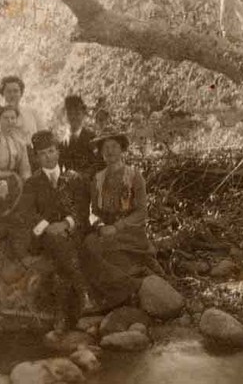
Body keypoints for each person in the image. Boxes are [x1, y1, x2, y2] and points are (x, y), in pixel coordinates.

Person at [11, 130, 93, 332]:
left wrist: (66, 224)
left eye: (51, 151)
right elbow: (27, 213)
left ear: (58, 152)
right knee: (57, 243)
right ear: (37, 158)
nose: (48, 156)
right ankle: (84, 293)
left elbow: (82, 209)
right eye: (43, 153)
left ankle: (62, 317)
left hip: (71, 231)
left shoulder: (74, 178)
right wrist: (48, 226)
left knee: (62, 260)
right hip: (45, 237)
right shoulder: (32, 183)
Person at [82, 129, 163, 309]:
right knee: (88, 242)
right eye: (105, 147)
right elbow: (93, 211)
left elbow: (142, 212)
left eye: (114, 146)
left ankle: (117, 294)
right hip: (106, 230)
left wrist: (117, 227)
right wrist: (100, 224)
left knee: (98, 249)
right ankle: (127, 287)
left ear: (122, 149)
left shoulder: (134, 176)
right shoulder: (97, 179)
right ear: (101, 152)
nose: (110, 151)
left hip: (130, 231)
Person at [0, 105, 31, 213]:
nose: (10, 121)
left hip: (13, 180)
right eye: (6, 118)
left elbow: (25, 168)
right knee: (6, 185)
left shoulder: (19, 142)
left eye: (13, 118)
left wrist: (27, 182)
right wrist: (11, 176)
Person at [0, 76, 46, 155]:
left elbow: (44, 134)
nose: (12, 95)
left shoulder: (32, 112)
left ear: (21, 93)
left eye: (16, 91)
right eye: (8, 91)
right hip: (8, 156)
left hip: (32, 154)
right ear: (3, 94)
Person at [59, 95, 104, 178]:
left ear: (83, 114)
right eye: (70, 114)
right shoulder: (62, 143)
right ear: (65, 116)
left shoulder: (93, 138)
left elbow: (100, 165)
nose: (73, 117)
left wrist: (80, 175)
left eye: (77, 113)